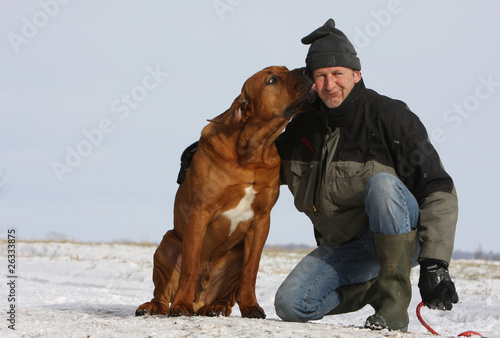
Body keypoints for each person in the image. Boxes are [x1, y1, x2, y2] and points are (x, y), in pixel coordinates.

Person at [273, 19, 459, 331]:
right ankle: (374, 287)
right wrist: (211, 149)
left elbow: (437, 188)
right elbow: (257, 163)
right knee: (291, 304)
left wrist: (435, 263)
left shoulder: (391, 117)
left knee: (383, 185)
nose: (330, 84)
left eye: (338, 74)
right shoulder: (303, 129)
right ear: (311, 83)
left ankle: (393, 307)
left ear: (356, 74)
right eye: (320, 76)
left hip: (401, 238)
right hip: (348, 248)